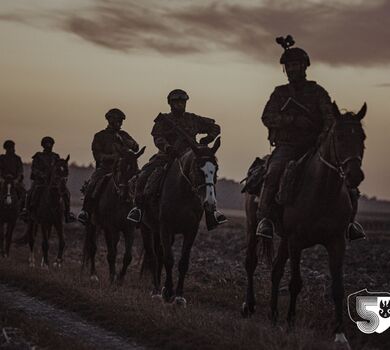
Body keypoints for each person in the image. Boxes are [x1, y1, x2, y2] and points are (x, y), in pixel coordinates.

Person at [256, 35, 365, 241]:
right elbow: (267, 117)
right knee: (273, 172)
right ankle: (266, 220)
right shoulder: (279, 94)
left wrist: (321, 138)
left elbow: (330, 120)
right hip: (286, 146)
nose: (292, 69)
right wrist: (292, 120)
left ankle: (350, 222)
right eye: (289, 66)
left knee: (344, 175)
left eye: (296, 65)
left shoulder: (317, 92)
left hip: (314, 146)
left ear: (304, 67)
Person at [127, 89, 227, 227]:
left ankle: (212, 213)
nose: (180, 104)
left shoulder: (193, 119)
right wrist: (167, 147)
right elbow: (157, 137)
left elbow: (215, 127)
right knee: (144, 175)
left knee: (206, 178)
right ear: (170, 103)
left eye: (182, 102)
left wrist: (207, 139)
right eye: (176, 102)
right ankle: (138, 209)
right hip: (166, 157)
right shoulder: (164, 120)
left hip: (190, 157)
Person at [77, 108, 139, 225]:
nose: (120, 123)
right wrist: (112, 157)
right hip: (105, 169)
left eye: (121, 121)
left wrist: (129, 143)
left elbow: (136, 147)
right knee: (92, 184)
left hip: (123, 169)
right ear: (110, 120)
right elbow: (98, 156)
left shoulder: (123, 134)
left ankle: (138, 211)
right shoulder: (100, 136)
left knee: (139, 181)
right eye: (118, 121)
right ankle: (85, 211)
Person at [22, 136, 75, 223]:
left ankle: (67, 213)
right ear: (43, 145)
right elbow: (34, 169)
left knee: (66, 192)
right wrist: (41, 175)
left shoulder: (56, 156)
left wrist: (60, 175)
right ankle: (27, 212)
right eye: (47, 143)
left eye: (50, 143)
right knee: (31, 193)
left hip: (53, 182)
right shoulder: (38, 156)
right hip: (40, 181)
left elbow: (59, 168)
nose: (48, 145)